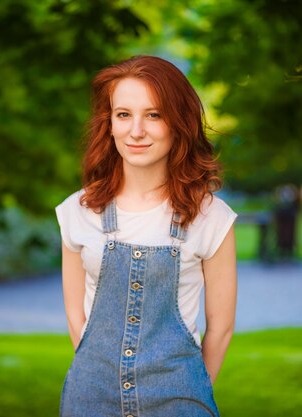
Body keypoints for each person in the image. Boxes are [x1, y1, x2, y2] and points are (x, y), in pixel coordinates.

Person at [55, 55, 237, 417]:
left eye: (153, 115)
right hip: (90, 399)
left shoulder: (211, 217)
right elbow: (77, 316)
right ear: (109, 124)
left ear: (178, 123)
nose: (136, 130)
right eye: (123, 115)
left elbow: (222, 327)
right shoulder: (77, 211)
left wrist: (190, 389)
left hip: (178, 399)